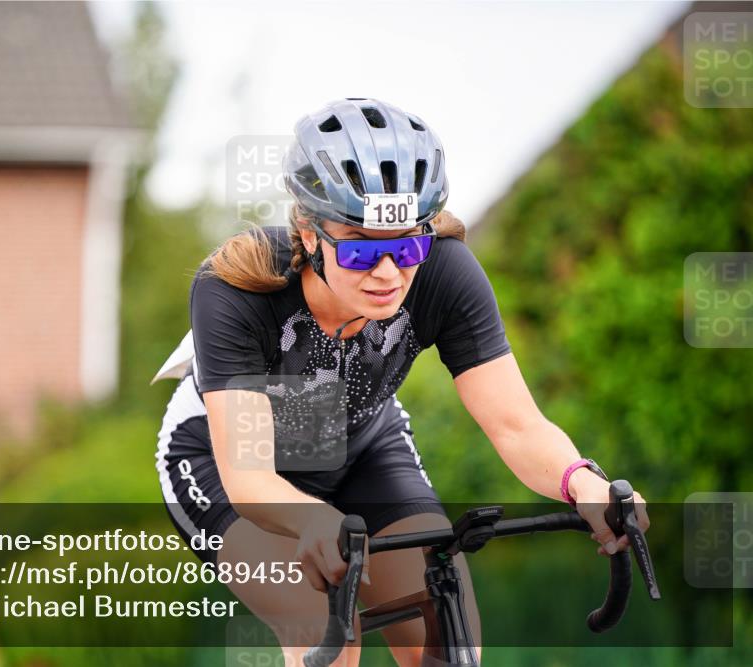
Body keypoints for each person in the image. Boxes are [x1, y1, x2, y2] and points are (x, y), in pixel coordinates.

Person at [154, 98, 650, 667]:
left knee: (449, 631)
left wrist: (581, 481)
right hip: (223, 463)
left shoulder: (444, 272)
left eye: (407, 246)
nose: (389, 274)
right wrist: (313, 517)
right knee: (325, 630)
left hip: (364, 447)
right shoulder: (239, 286)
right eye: (363, 249)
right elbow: (249, 474)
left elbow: (516, 425)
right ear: (309, 233)